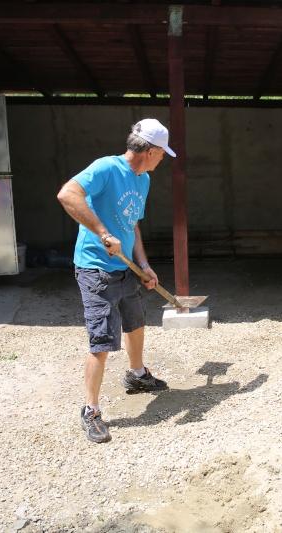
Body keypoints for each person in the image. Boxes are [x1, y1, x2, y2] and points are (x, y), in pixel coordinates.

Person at [57, 118, 176, 444]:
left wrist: (143, 264)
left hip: (126, 268)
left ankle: (137, 375)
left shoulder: (144, 180)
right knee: (103, 340)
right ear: (150, 151)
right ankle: (91, 410)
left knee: (136, 322)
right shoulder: (106, 168)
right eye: (162, 153)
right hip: (96, 269)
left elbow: (133, 225)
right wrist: (103, 233)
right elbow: (68, 194)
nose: (163, 158)